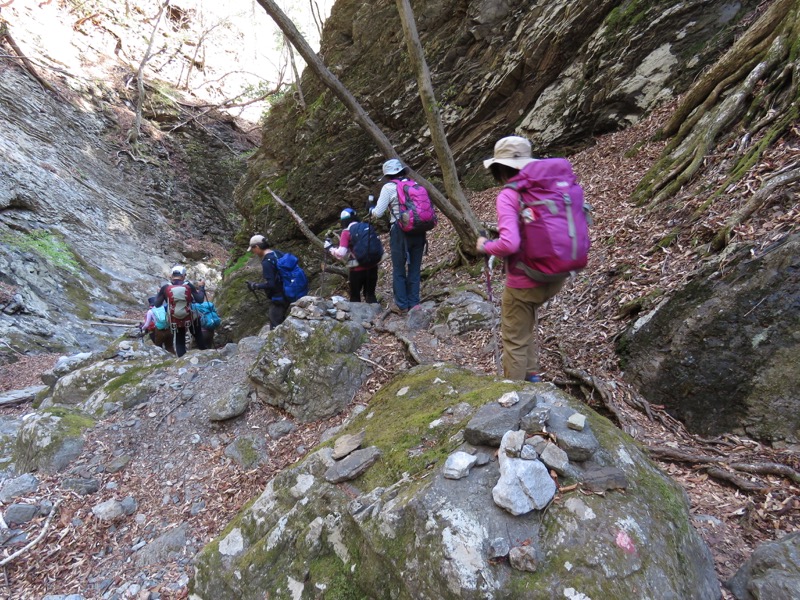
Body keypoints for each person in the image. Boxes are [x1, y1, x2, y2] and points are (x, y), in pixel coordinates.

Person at [476, 136, 565, 383]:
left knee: (513, 338)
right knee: (524, 326)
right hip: (556, 273)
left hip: (525, 278)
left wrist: (486, 246)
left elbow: (509, 244)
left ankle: (512, 396)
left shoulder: (509, 194)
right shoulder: (549, 186)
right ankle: (532, 376)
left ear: (499, 168)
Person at [370, 159, 426, 314]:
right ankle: (414, 303)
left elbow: (378, 213)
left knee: (399, 268)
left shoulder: (388, 187)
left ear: (388, 175)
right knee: (414, 267)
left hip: (400, 230)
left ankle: (402, 305)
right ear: (402, 171)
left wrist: (371, 209)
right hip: (419, 230)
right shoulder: (414, 184)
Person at [325, 208, 380, 304]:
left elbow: (341, 253)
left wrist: (330, 248)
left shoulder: (346, 232)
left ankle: (357, 318)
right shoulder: (367, 227)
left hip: (357, 270)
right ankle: (376, 316)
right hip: (372, 266)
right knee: (370, 295)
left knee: (355, 297)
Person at [154, 265, 207, 357]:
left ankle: (182, 360)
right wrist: (201, 288)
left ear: (171, 275)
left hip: (175, 318)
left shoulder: (166, 287)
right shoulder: (188, 286)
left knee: (180, 341)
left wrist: (159, 293)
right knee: (198, 336)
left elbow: (157, 304)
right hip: (190, 316)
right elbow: (200, 300)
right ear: (183, 275)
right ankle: (206, 354)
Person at [246, 234, 288, 329]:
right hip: (289, 291)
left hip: (279, 298)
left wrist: (255, 286)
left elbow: (271, 284)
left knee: (275, 325)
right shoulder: (277, 253)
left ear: (256, 247)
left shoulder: (267, 262)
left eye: (252, 249)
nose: (253, 252)